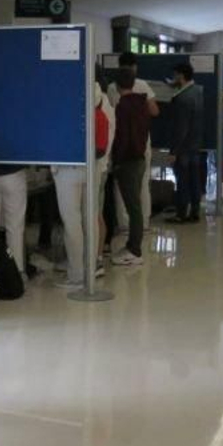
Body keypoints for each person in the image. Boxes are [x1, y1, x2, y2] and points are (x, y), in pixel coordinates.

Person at [55, 83, 115, 289]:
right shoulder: (100, 115)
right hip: (93, 170)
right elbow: (101, 149)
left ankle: (76, 274)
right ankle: (90, 268)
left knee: (72, 223)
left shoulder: (64, 114)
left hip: (67, 170)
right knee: (91, 220)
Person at [108, 68, 156, 264]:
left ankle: (134, 250)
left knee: (133, 207)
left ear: (117, 86)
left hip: (127, 161)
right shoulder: (142, 103)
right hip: (140, 158)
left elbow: (122, 138)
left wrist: (117, 161)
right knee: (136, 204)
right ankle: (133, 246)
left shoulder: (122, 107)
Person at [105, 52, 152, 236]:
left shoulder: (116, 98)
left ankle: (127, 229)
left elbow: (119, 132)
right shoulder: (141, 98)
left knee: (123, 193)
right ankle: (143, 223)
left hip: (124, 154)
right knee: (142, 188)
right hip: (142, 147)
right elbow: (154, 110)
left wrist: (116, 160)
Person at [165, 63, 204, 224]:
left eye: (175, 76)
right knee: (194, 179)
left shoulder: (182, 98)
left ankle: (181, 213)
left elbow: (181, 128)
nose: (174, 79)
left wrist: (174, 151)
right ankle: (195, 211)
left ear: (181, 75)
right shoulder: (198, 91)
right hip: (196, 143)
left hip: (183, 146)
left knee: (182, 180)